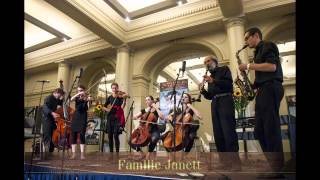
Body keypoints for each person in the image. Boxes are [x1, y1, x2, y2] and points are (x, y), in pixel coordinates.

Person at [239, 27, 284, 176]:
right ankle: (271, 165)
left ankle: (276, 168)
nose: (245, 42)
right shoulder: (257, 52)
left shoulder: (267, 45)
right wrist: (249, 85)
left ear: (255, 35)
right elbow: (261, 76)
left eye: (247, 38)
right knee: (260, 130)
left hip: (271, 87)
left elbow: (272, 67)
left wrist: (249, 66)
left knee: (270, 128)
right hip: (264, 89)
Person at [199, 56, 241, 169]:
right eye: (205, 62)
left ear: (215, 62)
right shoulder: (210, 77)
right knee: (218, 134)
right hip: (215, 102)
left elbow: (228, 85)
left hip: (226, 101)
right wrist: (203, 91)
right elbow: (210, 95)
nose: (206, 63)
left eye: (208, 61)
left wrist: (213, 81)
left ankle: (235, 163)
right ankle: (224, 163)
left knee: (228, 132)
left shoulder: (224, 69)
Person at [132, 96, 164, 160]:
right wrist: (135, 117)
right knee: (131, 140)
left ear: (152, 101)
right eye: (146, 100)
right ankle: (141, 154)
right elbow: (135, 117)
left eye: (148, 100)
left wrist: (156, 107)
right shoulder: (144, 110)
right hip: (143, 129)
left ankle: (149, 154)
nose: (147, 101)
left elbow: (162, 117)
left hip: (154, 129)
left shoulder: (156, 109)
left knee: (155, 138)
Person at [102, 82, 128, 153]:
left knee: (116, 135)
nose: (114, 89)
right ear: (111, 89)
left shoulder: (120, 97)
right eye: (113, 88)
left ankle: (117, 152)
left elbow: (122, 107)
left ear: (117, 88)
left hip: (117, 117)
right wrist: (107, 109)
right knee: (110, 135)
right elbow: (104, 106)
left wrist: (125, 99)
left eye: (115, 88)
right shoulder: (110, 97)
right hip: (110, 117)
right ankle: (111, 152)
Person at [69, 85, 92, 160]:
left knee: (82, 134)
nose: (80, 91)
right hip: (76, 117)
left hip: (83, 117)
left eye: (81, 90)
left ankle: (82, 154)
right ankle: (73, 154)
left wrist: (88, 100)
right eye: (78, 90)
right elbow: (70, 100)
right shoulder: (77, 97)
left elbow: (88, 107)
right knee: (73, 135)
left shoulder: (87, 97)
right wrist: (78, 94)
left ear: (84, 90)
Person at [42, 88, 64, 153]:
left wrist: (63, 98)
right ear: (56, 92)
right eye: (59, 95)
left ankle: (51, 149)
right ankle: (46, 149)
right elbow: (45, 107)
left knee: (52, 133)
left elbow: (60, 103)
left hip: (51, 119)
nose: (59, 97)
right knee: (47, 134)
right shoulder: (49, 98)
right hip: (47, 119)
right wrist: (52, 113)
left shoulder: (56, 99)